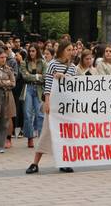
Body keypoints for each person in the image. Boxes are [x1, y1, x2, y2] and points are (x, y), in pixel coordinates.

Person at [26, 40, 76, 174]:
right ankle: (35, 163)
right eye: (69, 50)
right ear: (62, 50)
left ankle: (63, 161)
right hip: (53, 103)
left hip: (66, 104)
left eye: (72, 50)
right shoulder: (53, 64)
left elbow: (74, 84)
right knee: (47, 132)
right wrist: (47, 102)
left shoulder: (72, 67)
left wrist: (63, 76)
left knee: (66, 133)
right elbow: (48, 85)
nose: (71, 52)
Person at [21, 44, 45, 148]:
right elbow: (25, 77)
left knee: (40, 114)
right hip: (28, 89)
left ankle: (41, 139)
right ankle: (30, 138)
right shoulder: (24, 63)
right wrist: (36, 76)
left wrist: (32, 76)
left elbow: (44, 77)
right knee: (27, 114)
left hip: (39, 89)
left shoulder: (43, 62)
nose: (31, 53)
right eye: (30, 51)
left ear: (37, 51)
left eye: (33, 51)